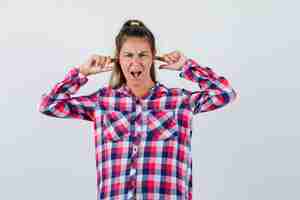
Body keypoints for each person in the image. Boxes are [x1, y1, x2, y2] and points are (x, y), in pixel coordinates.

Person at [38, 19, 237, 200]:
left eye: (143, 55)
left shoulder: (179, 101)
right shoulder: (102, 102)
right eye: (128, 55)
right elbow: (49, 105)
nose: (136, 62)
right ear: (118, 59)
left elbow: (225, 93)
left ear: (153, 58)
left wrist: (187, 67)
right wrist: (81, 73)